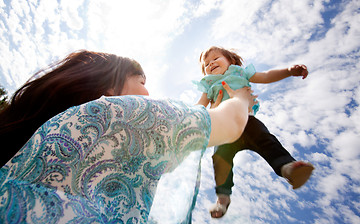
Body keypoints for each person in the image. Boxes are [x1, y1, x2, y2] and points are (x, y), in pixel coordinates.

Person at [0, 50, 255, 223]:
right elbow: (229, 124)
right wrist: (242, 97)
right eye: (142, 81)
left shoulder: (51, 131)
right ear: (112, 85)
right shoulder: (124, 114)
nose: (147, 93)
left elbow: (165, 156)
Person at [193, 46, 314, 218]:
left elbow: (266, 76)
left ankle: (287, 167)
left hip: (247, 121)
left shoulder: (240, 73)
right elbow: (199, 105)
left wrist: (288, 71)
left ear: (231, 61)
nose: (211, 63)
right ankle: (223, 197)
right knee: (220, 158)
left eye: (216, 58)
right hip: (223, 126)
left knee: (265, 140)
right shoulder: (209, 84)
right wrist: (184, 116)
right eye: (206, 64)